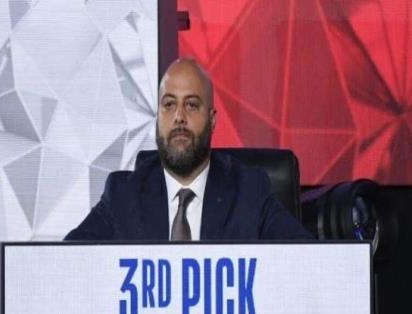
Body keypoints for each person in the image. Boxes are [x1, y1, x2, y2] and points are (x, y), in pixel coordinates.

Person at [64, 59, 311, 241]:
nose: (179, 117)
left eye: (191, 105)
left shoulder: (249, 191)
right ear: (158, 117)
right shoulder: (123, 195)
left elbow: (306, 259)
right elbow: (67, 263)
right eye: (169, 105)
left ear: (212, 120)